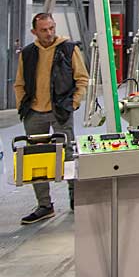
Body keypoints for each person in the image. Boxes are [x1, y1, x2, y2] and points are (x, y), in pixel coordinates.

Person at [14, 13, 89, 224]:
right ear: (34, 32)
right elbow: (19, 82)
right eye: (44, 29)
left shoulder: (68, 48)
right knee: (36, 159)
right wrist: (22, 104)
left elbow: (82, 78)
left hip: (60, 110)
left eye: (51, 28)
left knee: (69, 155)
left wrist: (73, 103)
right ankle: (45, 205)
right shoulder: (28, 53)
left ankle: (76, 199)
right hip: (34, 112)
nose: (49, 33)